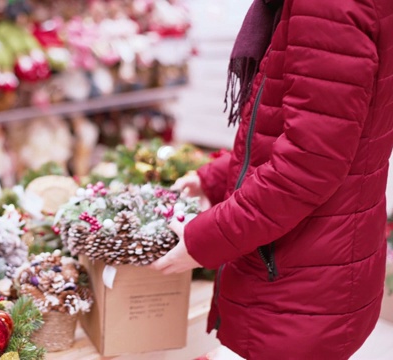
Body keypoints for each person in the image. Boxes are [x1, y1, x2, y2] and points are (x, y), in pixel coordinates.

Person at [150, 0, 393, 359]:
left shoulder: (327, 5)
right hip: (317, 261)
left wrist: (204, 240)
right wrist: (215, 177)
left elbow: (307, 166)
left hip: (297, 275)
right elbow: (318, 133)